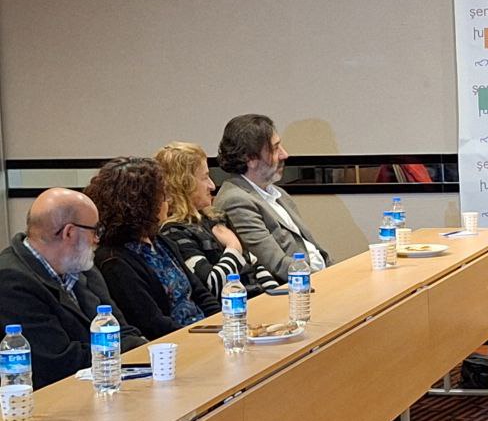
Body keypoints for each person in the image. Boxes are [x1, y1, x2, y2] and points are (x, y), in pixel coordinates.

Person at [0, 188, 147, 388]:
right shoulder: (11, 282)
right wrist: (125, 348)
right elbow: (59, 362)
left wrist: (137, 346)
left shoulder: (82, 267)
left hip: (107, 383)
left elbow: (120, 329)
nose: (97, 240)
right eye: (95, 230)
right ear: (69, 232)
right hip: (54, 397)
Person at [86, 158, 220, 341]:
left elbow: (201, 293)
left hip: (204, 332)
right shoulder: (113, 261)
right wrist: (204, 337)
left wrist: (222, 323)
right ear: (143, 204)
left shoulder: (161, 241)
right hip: (176, 343)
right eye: (163, 196)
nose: (168, 201)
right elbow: (153, 324)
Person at [213, 114, 329, 282]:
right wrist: (328, 281)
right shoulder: (236, 201)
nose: (284, 155)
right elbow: (277, 266)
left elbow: (315, 251)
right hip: (298, 288)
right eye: (275, 149)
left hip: (319, 277)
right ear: (250, 158)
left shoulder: (278, 194)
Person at [155, 141, 278, 297]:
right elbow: (212, 285)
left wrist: (276, 295)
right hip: (233, 307)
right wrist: (233, 246)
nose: (212, 186)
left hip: (258, 301)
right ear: (184, 184)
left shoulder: (215, 218)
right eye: (205, 178)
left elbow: (253, 264)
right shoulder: (174, 232)